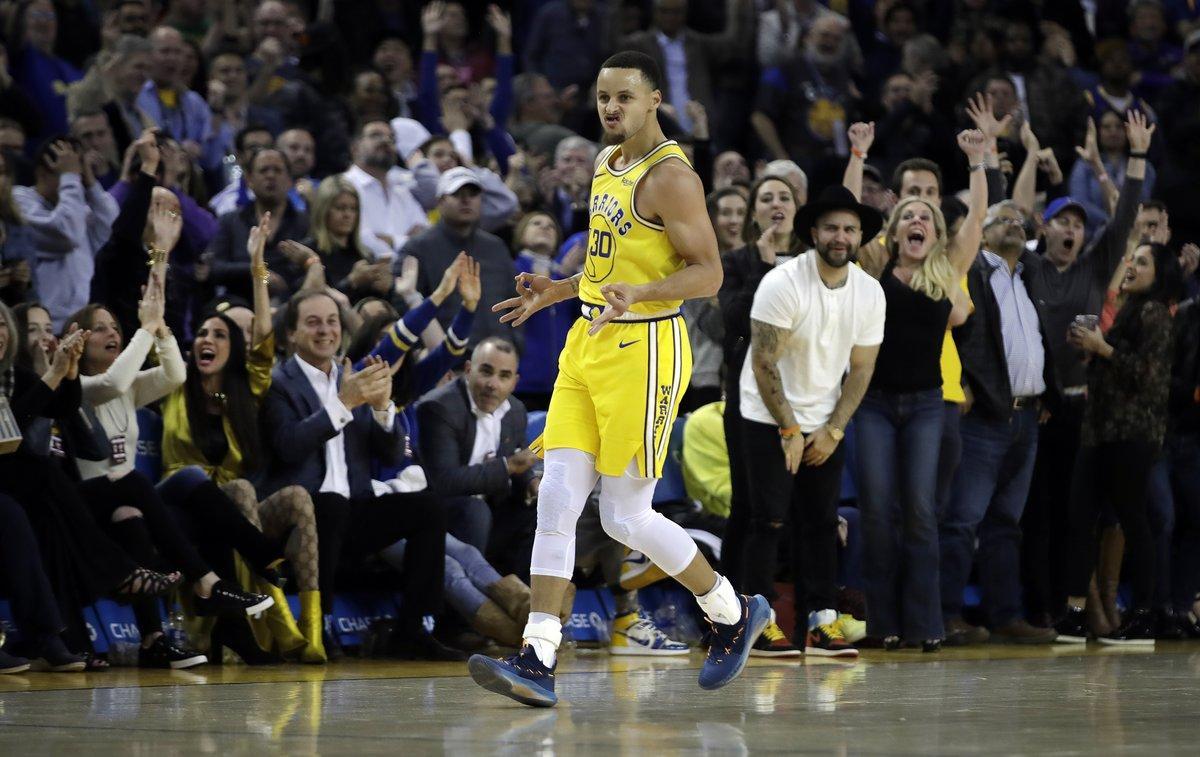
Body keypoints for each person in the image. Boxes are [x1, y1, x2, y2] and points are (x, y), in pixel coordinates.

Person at [469, 51, 768, 708]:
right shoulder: (607, 164)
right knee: (557, 500)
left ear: (654, 99)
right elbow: (609, 269)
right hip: (589, 342)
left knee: (625, 514)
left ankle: (731, 610)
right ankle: (538, 654)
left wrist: (645, 292)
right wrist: (560, 290)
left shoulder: (671, 178)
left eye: (624, 98)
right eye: (604, 97)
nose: (610, 108)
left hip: (647, 349)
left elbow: (709, 274)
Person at [71, 258, 272, 668]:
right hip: (84, 503)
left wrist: (161, 330)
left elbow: (175, 375)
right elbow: (112, 382)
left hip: (121, 500)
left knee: (187, 482)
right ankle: (212, 582)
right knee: (134, 488)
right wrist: (145, 329)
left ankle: (157, 638)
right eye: (101, 327)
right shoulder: (77, 386)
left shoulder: (126, 388)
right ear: (77, 337)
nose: (112, 332)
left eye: (115, 326)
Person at [257, 289, 458, 661]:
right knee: (331, 504)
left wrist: (383, 410)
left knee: (428, 508)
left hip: (355, 509)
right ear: (290, 334)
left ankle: (412, 629)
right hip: (299, 516)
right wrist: (343, 403)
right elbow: (289, 446)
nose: (325, 330)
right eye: (313, 322)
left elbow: (390, 452)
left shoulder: (351, 376)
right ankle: (324, 620)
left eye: (332, 321)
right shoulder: (277, 384)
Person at [160, 215, 324, 664]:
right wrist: (162, 255)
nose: (206, 340)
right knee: (235, 487)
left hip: (234, 508)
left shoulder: (244, 390)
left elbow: (266, 336)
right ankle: (265, 619)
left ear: (234, 348)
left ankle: (308, 632)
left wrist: (259, 265)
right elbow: (159, 323)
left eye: (220, 335)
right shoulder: (174, 383)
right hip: (178, 498)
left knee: (294, 499)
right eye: (202, 334)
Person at [854, 130, 986, 651]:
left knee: (922, 513)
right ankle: (884, 626)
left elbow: (975, 221)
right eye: (907, 215)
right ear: (893, 227)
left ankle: (926, 627)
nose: (917, 220)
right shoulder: (875, 265)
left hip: (929, 404)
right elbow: (848, 214)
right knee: (878, 511)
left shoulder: (947, 270)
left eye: (926, 217)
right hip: (873, 404)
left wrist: (977, 163)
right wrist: (859, 156)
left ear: (935, 233)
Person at [742, 185, 885, 657]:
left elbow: (862, 367)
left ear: (860, 235)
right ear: (813, 234)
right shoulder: (783, 282)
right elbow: (763, 363)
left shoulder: (869, 292)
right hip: (766, 414)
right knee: (769, 520)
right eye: (831, 228)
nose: (840, 236)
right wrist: (789, 429)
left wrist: (835, 428)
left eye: (849, 228)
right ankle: (756, 625)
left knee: (823, 522)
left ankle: (821, 622)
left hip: (825, 418)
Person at [944, 201, 1060, 645]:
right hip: (984, 416)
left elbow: (1038, 340)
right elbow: (959, 336)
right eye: (1000, 219)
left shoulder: (1030, 277)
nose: (1012, 225)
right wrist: (966, 385)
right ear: (981, 231)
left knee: (1006, 523)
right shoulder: (972, 271)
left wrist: (1043, 391)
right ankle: (949, 613)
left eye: (1018, 220)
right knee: (963, 520)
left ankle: (1004, 614)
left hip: (1026, 414)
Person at [1056, 242, 1183, 645]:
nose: (1130, 266)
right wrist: (1093, 352)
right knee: (1079, 518)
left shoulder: (1156, 314)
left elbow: (1149, 377)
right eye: (1131, 259)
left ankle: (1143, 614)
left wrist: (1102, 347)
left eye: (1141, 262)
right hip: (1100, 432)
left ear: (1160, 274)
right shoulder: (1129, 310)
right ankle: (1075, 613)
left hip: (1132, 434)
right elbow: (1117, 367)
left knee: (1133, 520)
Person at [717, 175, 804, 594]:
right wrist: (764, 268)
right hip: (748, 394)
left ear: (797, 207)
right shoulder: (738, 261)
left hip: (807, 394)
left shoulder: (813, 260)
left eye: (784, 197)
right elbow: (731, 322)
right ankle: (730, 610)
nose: (776, 205)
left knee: (806, 508)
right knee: (749, 503)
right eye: (766, 198)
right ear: (755, 213)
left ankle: (810, 608)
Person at [417, 337, 539, 579]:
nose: (493, 384)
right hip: (440, 513)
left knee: (539, 512)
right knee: (475, 510)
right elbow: (444, 481)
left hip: (489, 511)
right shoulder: (439, 407)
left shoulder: (515, 411)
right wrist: (508, 467)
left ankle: (524, 604)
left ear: (514, 383)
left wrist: (532, 484)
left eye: (504, 376)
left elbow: (519, 457)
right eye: (486, 372)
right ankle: (466, 612)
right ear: (468, 370)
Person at [13, 136, 118, 330]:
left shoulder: (76, 210)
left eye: (77, 173)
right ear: (41, 173)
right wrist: (70, 179)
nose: (75, 181)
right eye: (67, 173)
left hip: (79, 323)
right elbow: (65, 233)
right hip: (41, 325)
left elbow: (112, 226)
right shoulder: (19, 201)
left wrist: (91, 183)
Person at [403, 167, 517, 343]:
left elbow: (514, 298)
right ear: (440, 201)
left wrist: (515, 345)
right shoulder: (417, 248)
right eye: (457, 194)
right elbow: (406, 306)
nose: (466, 200)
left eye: (472, 193)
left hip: (500, 362)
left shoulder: (496, 247)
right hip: (446, 363)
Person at [206, 147, 310, 302]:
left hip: (292, 306)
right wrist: (259, 273)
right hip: (240, 305)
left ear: (290, 180)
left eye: (277, 170)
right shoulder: (230, 221)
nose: (270, 176)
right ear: (249, 180)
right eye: (263, 170)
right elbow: (214, 268)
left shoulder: (306, 223)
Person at [342, 120, 438, 261]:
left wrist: (392, 241)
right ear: (355, 148)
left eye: (391, 138)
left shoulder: (402, 191)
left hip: (409, 276)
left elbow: (427, 238)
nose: (386, 140)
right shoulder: (345, 186)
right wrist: (407, 240)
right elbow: (361, 239)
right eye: (375, 135)